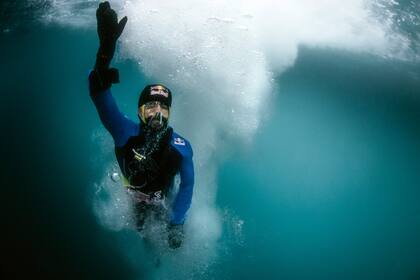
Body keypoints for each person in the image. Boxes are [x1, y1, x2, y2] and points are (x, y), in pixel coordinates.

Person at [88, 1, 194, 249]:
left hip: (162, 204)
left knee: (157, 237)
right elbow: (99, 94)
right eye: (151, 106)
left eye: (163, 107)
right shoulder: (123, 130)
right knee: (143, 235)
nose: (157, 112)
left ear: (169, 112)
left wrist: (176, 222)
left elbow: (187, 185)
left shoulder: (182, 148)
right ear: (139, 111)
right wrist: (104, 54)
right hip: (134, 204)